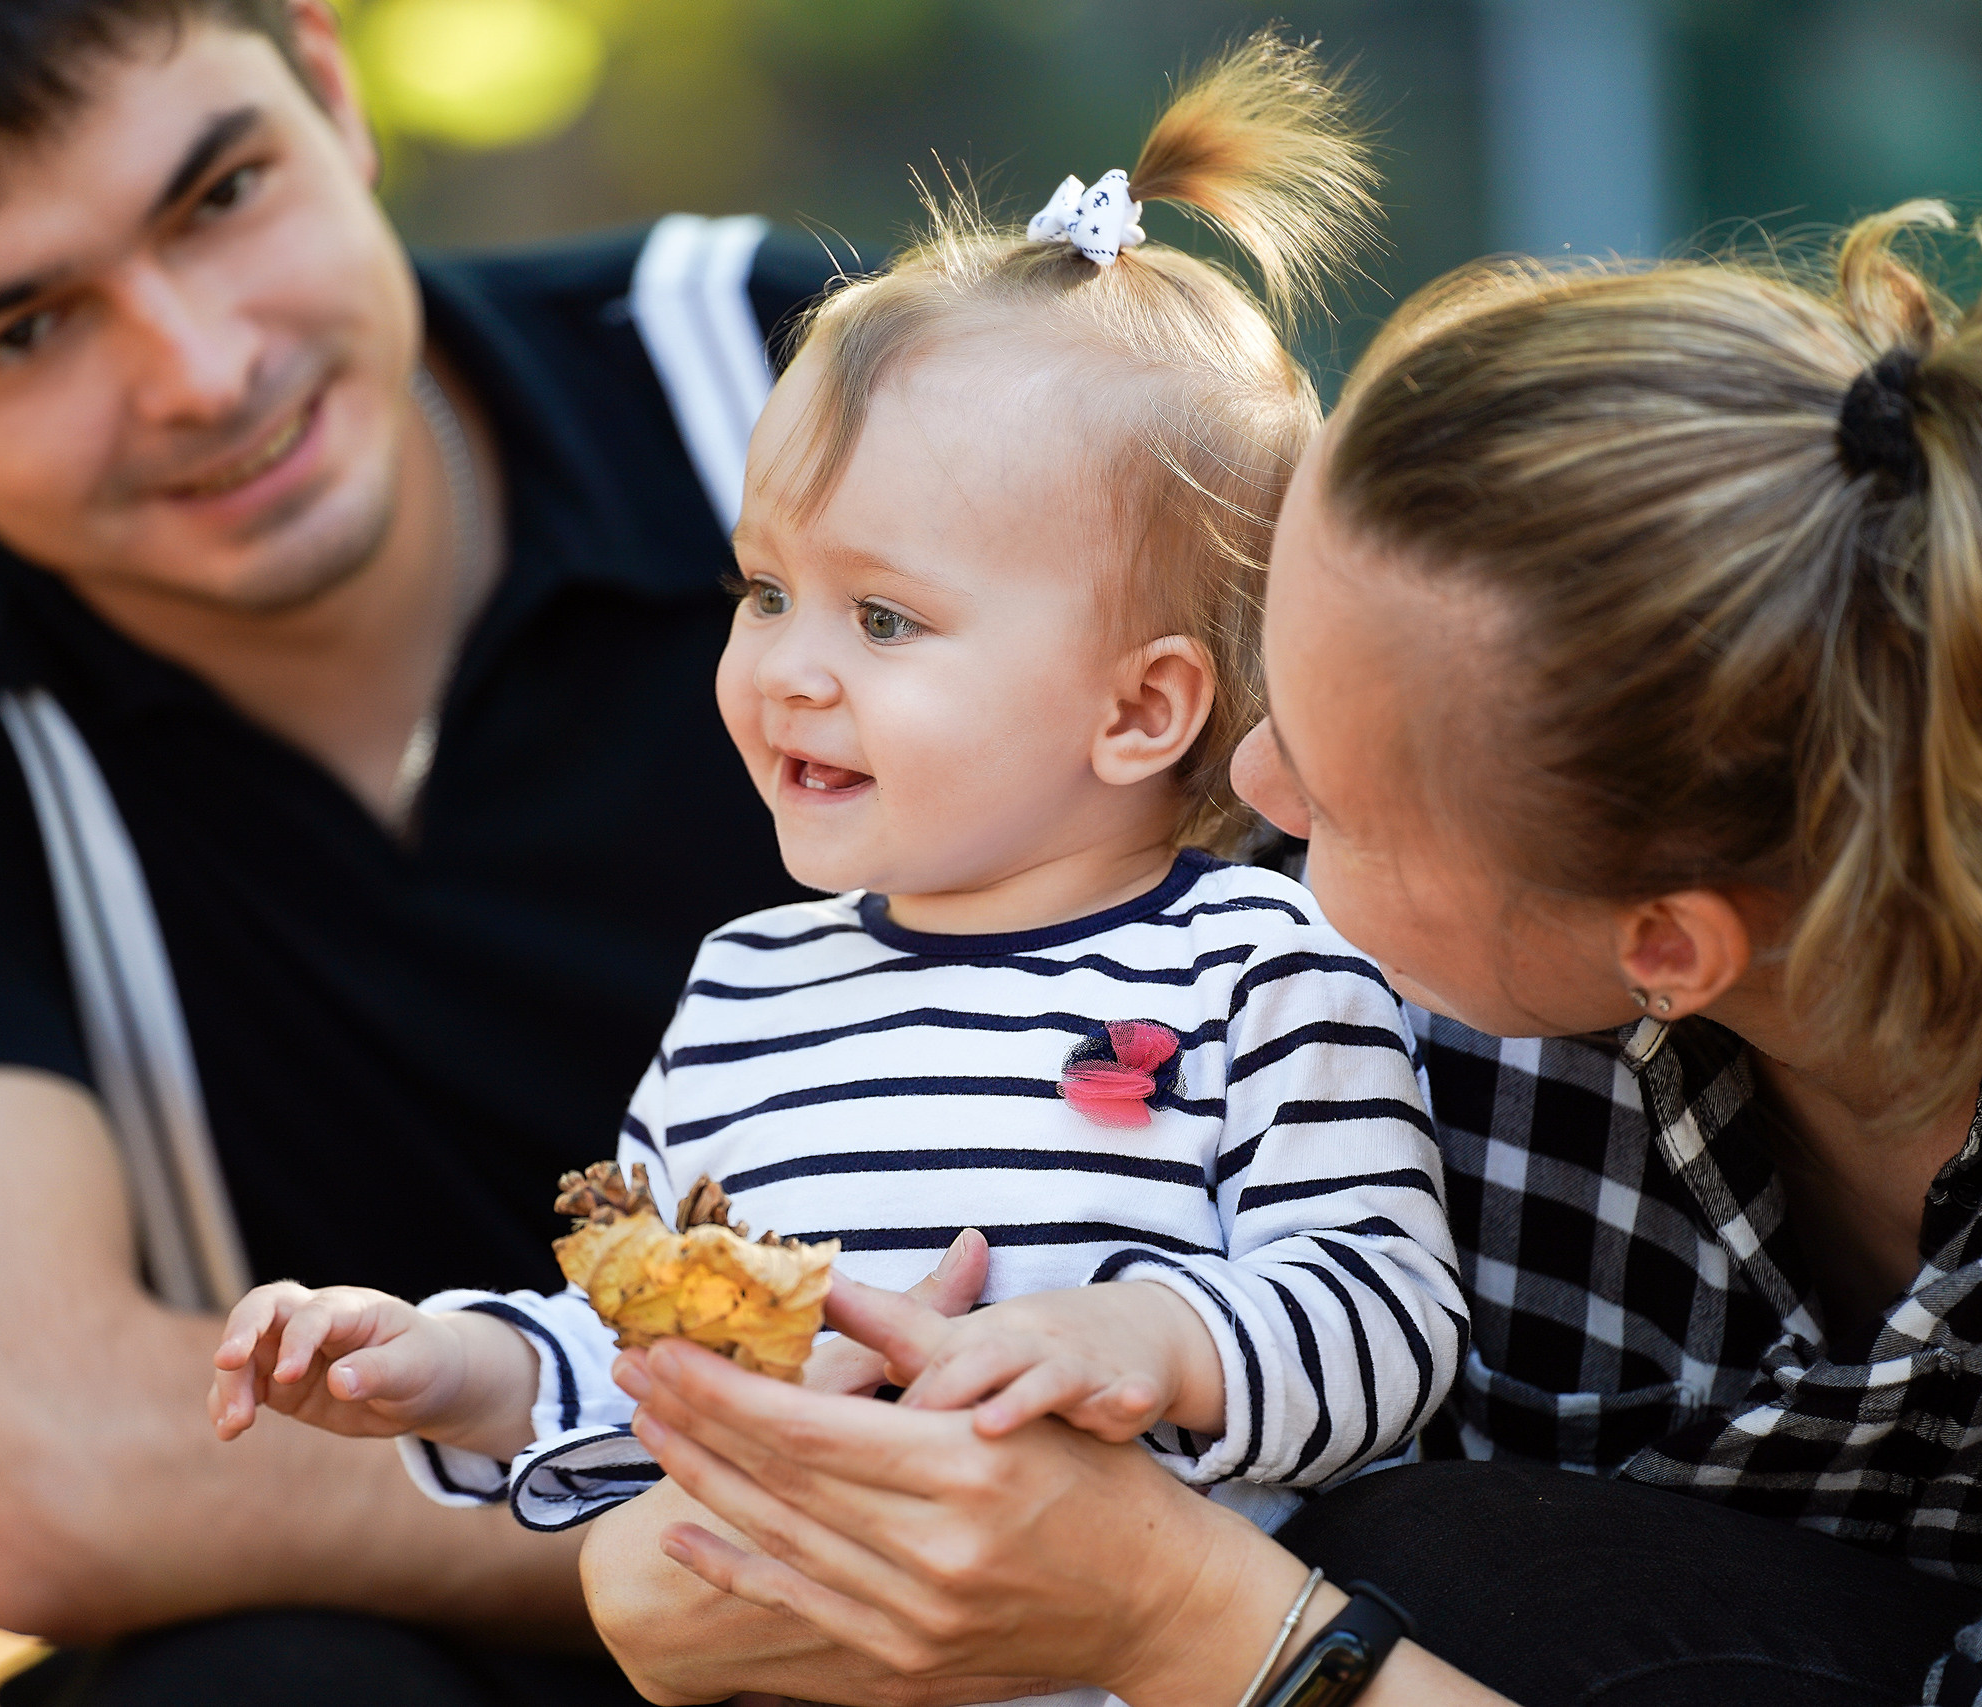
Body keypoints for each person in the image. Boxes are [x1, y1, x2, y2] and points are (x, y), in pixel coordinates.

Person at [573, 200, 1982, 1707]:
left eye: (1333, 797)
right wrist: (661, 1569)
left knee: (1446, 1561)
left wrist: (1186, 1617)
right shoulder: (1270, 953)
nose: (1241, 795)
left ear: (1659, 950)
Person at [203, 46, 1466, 1707]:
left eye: (883, 619)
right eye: (763, 591)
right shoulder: (751, 988)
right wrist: (452, 1365)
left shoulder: (1258, 964)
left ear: (1140, 706)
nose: (789, 667)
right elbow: (666, 1343)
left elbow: (1389, 1314)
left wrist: (1147, 1341)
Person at [0, 1, 836, 1701]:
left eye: (217, 197)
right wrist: (825, 1534)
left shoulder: (784, 371)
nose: (203, 372)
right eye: (22, 332)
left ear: (330, 89)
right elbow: (40, 1463)